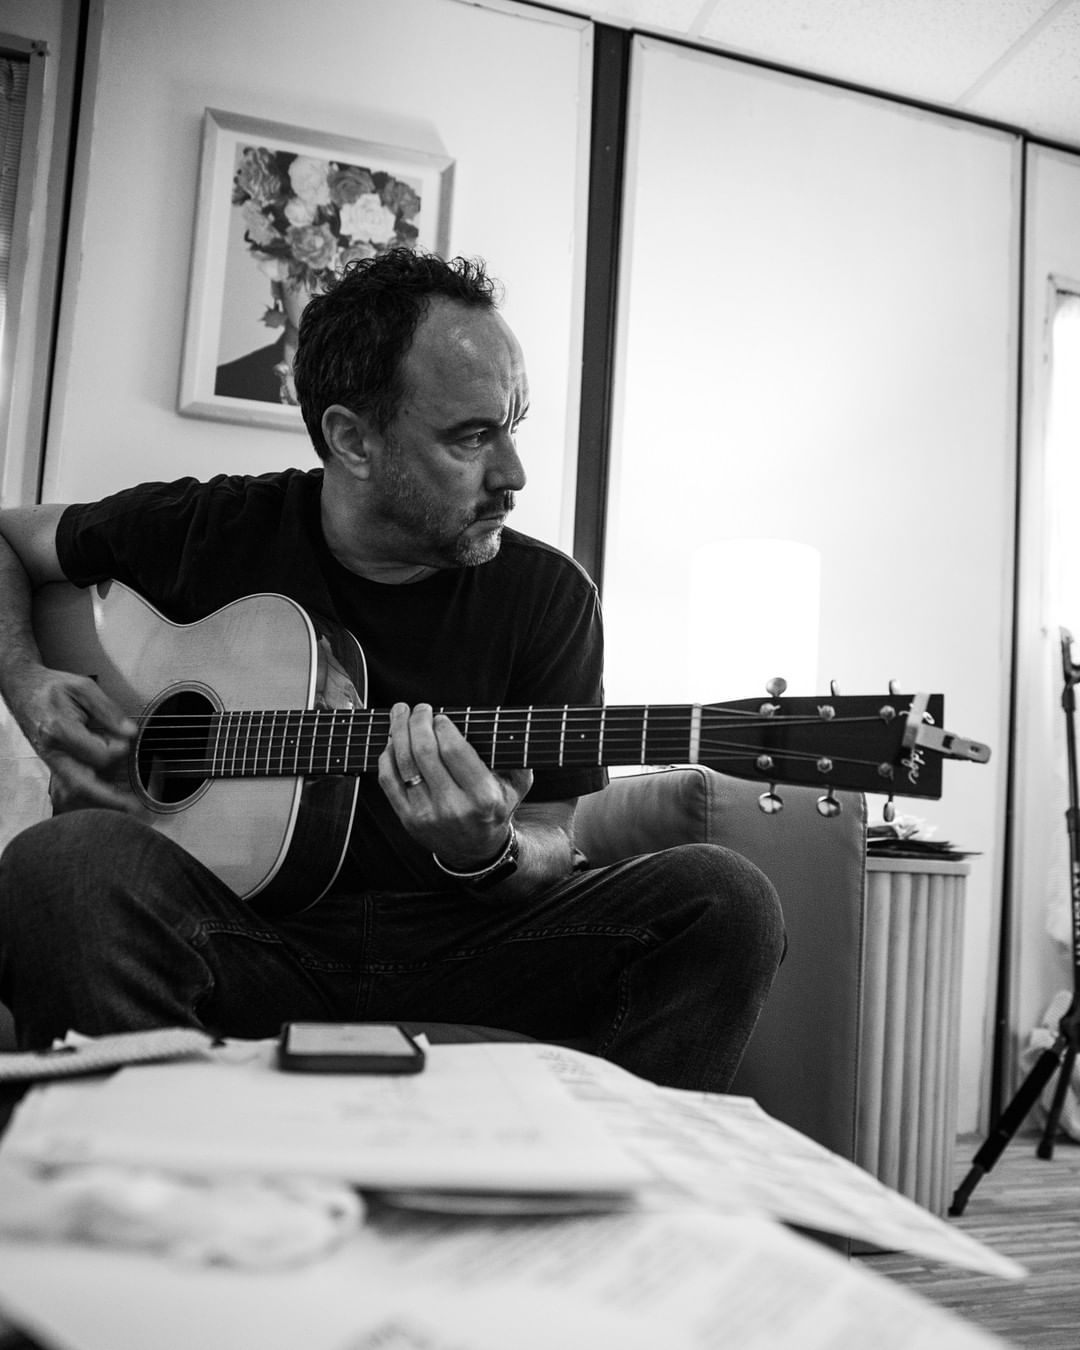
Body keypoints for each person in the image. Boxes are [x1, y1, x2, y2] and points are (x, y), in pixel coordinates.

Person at [0, 249, 784, 1091]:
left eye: (513, 426)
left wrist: (492, 852)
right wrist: (25, 679)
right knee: (61, 863)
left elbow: (556, 830)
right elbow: (8, 537)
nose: (514, 475)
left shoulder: (550, 594)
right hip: (241, 939)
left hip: (469, 948)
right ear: (353, 439)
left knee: (725, 898)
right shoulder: (208, 526)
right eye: (471, 436)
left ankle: (618, 1163)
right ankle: (134, 1162)